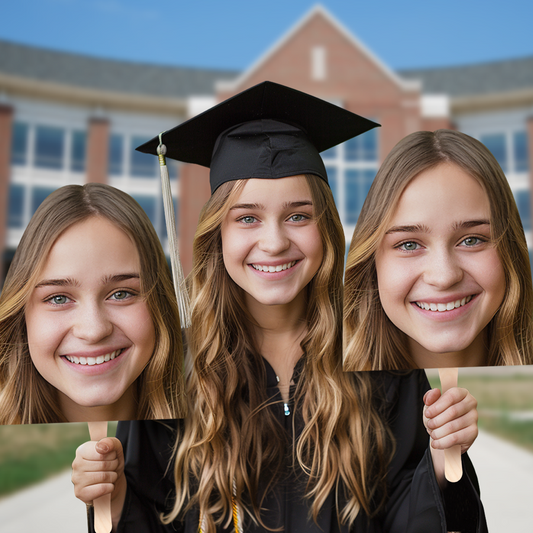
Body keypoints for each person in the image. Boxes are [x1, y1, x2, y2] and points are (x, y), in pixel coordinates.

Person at [72, 83, 486, 532]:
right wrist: (111, 497)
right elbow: (152, 515)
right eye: (247, 217)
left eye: (298, 216)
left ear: (325, 227)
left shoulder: (380, 359)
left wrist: (444, 463)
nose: (273, 242)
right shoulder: (170, 369)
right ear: (218, 235)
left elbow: (406, 508)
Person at [344, 129, 533, 371]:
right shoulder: (325, 400)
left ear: (511, 251)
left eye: (472, 240)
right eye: (409, 244)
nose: (444, 277)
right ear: (371, 265)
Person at [0, 183, 186, 423]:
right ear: (21, 316)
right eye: (59, 298)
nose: (94, 330)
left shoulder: (223, 438)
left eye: (121, 294)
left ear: (159, 304)